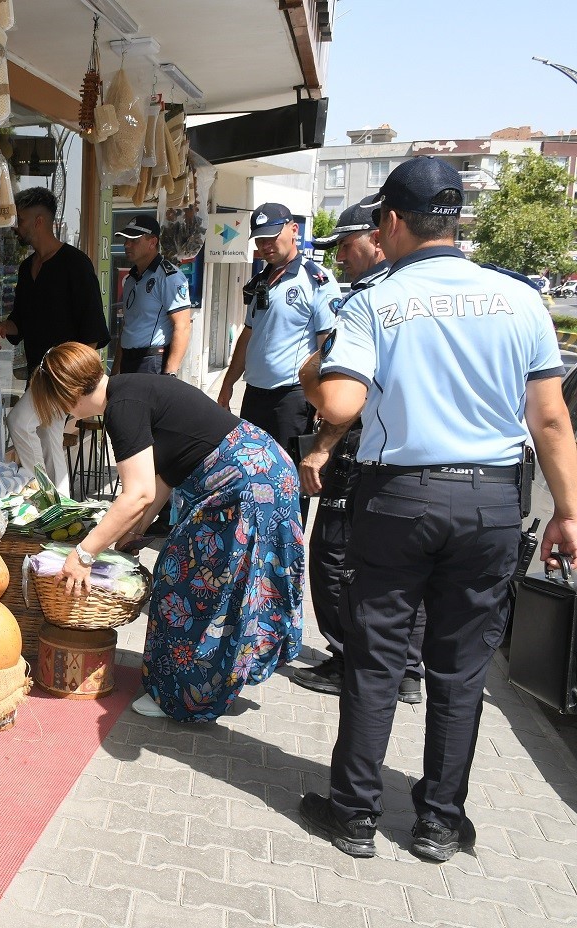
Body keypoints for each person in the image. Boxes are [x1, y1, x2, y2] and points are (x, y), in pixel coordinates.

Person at [297, 156, 577, 863]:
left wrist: (312, 369)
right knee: (460, 670)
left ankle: (355, 815)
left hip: (401, 501)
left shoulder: (373, 303)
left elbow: (339, 404)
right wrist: (568, 514)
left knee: (376, 659)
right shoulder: (519, 302)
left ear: (391, 221)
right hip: (489, 503)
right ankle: (439, 824)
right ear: (454, 220)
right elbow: (549, 422)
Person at [28, 342, 304, 722]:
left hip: (243, 486)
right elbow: (160, 479)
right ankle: (225, 674)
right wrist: (131, 533)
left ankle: (180, 696)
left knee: (183, 582)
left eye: (57, 405)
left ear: (68, 395)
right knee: (236, 581)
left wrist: (83, 554)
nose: (62, 415)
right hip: (266, 471)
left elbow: (137, 493)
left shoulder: (120, 409)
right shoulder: (130, 389)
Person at [293, 198, 425, 704]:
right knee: (406, 570)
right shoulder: (425, 290)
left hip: (361, 448)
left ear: (379, 235)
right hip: (429, 467)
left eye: (346, 246)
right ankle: (407, 669)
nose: (340, 259)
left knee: (333, 555)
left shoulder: (371, 301)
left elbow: (344, 399)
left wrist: (321, 446)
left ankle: (348, 658)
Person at [216, 203, 343, 518]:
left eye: (272, 237)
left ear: (294, 230)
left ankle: (287, 553)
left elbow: (328, 344)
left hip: (292, 398)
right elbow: (249, 334)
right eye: (259, 240)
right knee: (252, 476)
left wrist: (324, 403)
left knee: (287, 482)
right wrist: (228, 383)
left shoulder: (316, 280)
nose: (266, 246)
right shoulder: (262, 280)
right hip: (255, 395)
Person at [0, 187, 109, 495]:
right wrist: (6, 326)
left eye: (20, 219)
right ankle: (59, 505)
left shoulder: (76, 264)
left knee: (19, 422)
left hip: (64, 376)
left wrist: (78, 385)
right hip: (37, 371)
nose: (16, 226)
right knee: (48, 436)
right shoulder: (25, 268)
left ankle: (40, 492)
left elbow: (93, 331)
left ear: (40, 221)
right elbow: (22, 320)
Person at [113, 215, 191, 376]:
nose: (127, 245)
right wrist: (115, 370)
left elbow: (182, 326)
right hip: (128, 360)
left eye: (134, 240)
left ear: (152, 242)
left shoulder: (169, 277)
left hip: (151, 361)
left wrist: (170, 374)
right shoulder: (130, 279)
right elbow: (128, 326)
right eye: (125, 240)